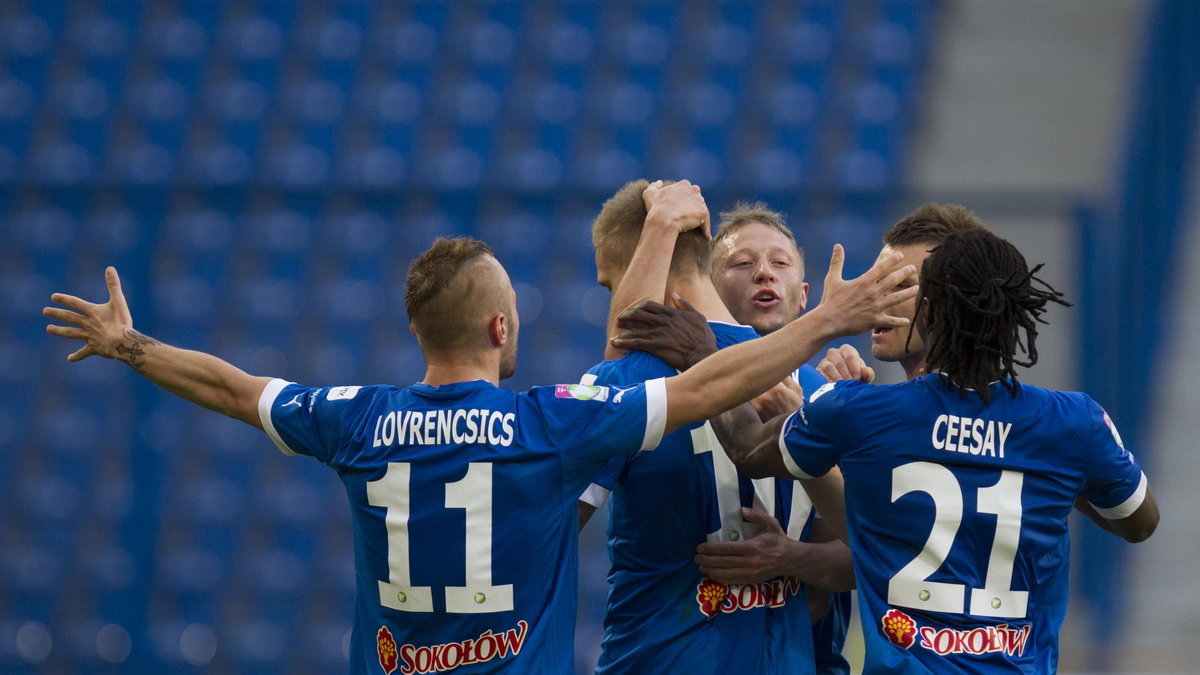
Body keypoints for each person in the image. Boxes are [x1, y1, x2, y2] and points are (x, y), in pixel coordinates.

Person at [44, 236, 916, 674]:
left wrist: (132, 346)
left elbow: (235, 387)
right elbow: (697, 391)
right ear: (503, 328)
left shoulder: (356, 420)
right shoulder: (553, 425)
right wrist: (826, 321)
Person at [620, 228, 1159, 672]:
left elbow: (745, 446)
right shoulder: (1074, 424)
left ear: (936, 308)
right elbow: (1139, 523)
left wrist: (700, 356)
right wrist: (1046, 467)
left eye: (900, 285)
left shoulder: (860, 412)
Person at [576, 181, 853, 674]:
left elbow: (551, 526)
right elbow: (873, 549)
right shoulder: (822, 392)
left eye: (611, 283)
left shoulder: (627, 383)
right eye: (742, 264)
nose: (763, 273)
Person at [706, 204, 853, 675]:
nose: (764, 273)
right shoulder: (663, 392)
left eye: (780, 263)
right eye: (742, 263)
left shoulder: (836, 401)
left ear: (804, 295)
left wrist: (791, 559)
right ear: (707, 292)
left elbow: (869, 555)